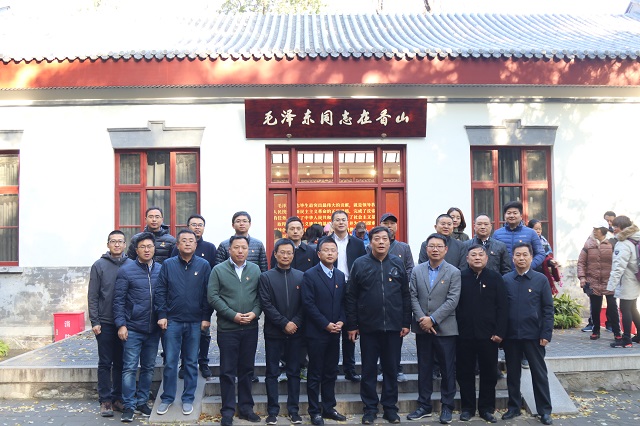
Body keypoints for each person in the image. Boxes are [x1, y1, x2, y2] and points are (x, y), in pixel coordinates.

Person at [346, 226, 411, 425]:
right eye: (377, 239)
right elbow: (351, 296)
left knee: (391, 369)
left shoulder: (397, 263)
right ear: (370, 242)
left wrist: (405, 322)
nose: (381, 242)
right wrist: (352, 324)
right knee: (368, 370)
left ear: (390, 242)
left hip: (393, 327)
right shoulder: (360, 264)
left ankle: (390, 408)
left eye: (385, 238)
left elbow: (405, 294)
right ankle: (370, 409)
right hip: (368, 327)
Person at [154, 230, 213, 417]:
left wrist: (206, 317)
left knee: (191, 362)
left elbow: (208, 293)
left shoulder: (204, 265)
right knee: (171, 362)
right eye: (184, 241)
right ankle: (167, 398)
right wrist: (162, 314)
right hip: (172, 321)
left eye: (191, 241)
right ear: (178, 245)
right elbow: (160, 291)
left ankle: (188, 398)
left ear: (196, 244)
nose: (188, 243)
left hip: (195, 322)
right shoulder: (168, 264)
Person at [208, 235, 263, 426]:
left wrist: (255, 313)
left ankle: (246, 408)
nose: (240, 251)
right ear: (229, 249)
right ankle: (228, 411)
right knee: (227, 370)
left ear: (249, 250)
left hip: (250, 327)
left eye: (244, 248)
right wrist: (232, 315)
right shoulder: (218, 270)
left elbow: (261, 296)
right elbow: (213, 296)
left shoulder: (255, 269)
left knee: (247, 369)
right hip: (228, 329)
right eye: (236, 247)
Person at [408, 233, 461, 425]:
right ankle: (424, 405)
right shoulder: (417, 270)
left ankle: (447, 406)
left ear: (445, 250)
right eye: (432, 246)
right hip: (422, 328)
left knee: (447, 369)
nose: (435, 249)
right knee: (424, 368)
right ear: (426, 249)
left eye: (439, 246)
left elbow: (452, 300)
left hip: (445, 329)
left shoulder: (454, 272)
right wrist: (422, 319)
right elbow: (413, 295)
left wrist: (433, 319)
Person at [501, 243, 554, 425]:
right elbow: (501, 308)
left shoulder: (540, 280)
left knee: (539, 374)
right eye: (518, 255)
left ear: (531, 257)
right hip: (511, 336)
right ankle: (513, 407)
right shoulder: (506, 279)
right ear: (513, 258)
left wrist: (546, 333)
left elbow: (548, 309)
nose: (521, 258)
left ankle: (544, 410)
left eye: (525, 255)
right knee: (512, 374)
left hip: (534, 335)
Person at [456, 244, 508, 423]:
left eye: (480, 255)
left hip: (489, 335)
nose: (477, 258)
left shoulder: (495, 278)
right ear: (467, 259)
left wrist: (500, 332)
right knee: (465, 372)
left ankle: (486, 408)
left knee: (489, 373)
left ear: (486, 258)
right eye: (473, 255)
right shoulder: (460, 277)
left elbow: (503, 307)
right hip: (464, 335)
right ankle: (468, 408)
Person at [113, 232, 161, 422]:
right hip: (132, 328)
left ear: (154, 248)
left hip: (153, 329)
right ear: (136, 250)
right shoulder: (126, 270)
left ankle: (142, 402)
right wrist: (121, 325)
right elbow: (118, 301)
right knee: (129, 368)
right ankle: (129, 406)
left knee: (148, 367)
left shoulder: (161, 269)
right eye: (143, 247)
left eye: (150, 246)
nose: (147, 250)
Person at [301, 237, 347, 426]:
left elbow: (343, 302)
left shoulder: (340, 275)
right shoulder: (310, 275)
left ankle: (329, 407)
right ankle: (314, 411)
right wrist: (325, 324)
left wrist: (342, 320)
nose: (330, 253)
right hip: (317, 332)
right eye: (326, 250)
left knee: (330, 371)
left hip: (335, 332)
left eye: (333, 250)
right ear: (319, 254)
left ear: (337, 254)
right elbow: (308, 304)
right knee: (315, 373)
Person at [260, 238, 305, 425]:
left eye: (289, 253)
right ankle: (272, 411)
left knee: (294, 372)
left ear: (293, 255)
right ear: (275, 254)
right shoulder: (266, 277)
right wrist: (283, 323)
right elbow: (266, 304)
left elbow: (305, 304)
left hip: (296, 332)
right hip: (274, 332)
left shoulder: (301, 276)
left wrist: (295, 322)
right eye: (282, 252)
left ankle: (294, 410)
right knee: (272, 372)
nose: (285, 256)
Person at [88, 230, 132, 417]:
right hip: (105, 322)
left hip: (125, 323)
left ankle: (118, 398)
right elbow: (93, 295)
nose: (117, 244)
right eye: (113, 241)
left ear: (125, 245)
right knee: (105, 363)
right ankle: (105, 400)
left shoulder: (131, 264)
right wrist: (95, 321)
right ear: (108, 245)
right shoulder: (99, 265)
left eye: (120, 241)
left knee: (122, 362)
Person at [171, 214, 217, 379]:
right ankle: (184, 364)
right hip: (182, 302)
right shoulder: (178, 248)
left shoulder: (210, 248)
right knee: (185, 335)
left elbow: (214, 274)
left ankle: (203, 363)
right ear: (188, 227)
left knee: (204, 334)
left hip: (202, 299)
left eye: (200, 225)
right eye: (194, 224)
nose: (197, 227)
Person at [377, 212, 415, 382]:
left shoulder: (403, 247)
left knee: (396, 337)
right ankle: (380, 369)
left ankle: (397, 368)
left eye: (392, 223)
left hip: (397, 297)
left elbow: (410, 268)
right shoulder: (371, 247)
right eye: (386, 223)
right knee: (379, 337)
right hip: (378, 298)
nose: (389, 226)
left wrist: (401, 281)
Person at [330, 210, 367, 383]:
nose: (340, 222)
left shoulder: (358, 244)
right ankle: (331, 368)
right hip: (331, 287)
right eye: (337, 220)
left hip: (351, 287)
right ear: (332, 223)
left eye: (343, 219)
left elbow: (363, 266)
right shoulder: (325, 242)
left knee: (350, 329)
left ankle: (350, 368)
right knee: (332, 328)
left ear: (348, 222)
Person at [577, 220, 621, 341]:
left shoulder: (613, 242)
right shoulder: (589, 243)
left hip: (610, 280)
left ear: (603, 230)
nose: (594, 231)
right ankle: (596, 330)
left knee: (613, 307)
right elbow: (581, 262)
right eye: (594, 229)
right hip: (593, 281)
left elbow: (619, 261)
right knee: (595, 308)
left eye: (597, 229)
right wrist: (582, 277)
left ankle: (617, 332)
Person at [607, 216, 640, 348]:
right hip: (636, 278)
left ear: (622, 227)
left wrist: (611, 285)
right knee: (632, 308)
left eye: (616, 226)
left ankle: (626, 340)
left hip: (627, 280)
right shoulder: (636, 238)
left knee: (625, 308)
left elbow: (618, 267)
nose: (613, 229)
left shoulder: (623, 243)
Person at [492, 201, 545, 270]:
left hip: (525, 274)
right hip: (504, 274)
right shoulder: (497, 234)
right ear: (505, 216)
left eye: (515, 213)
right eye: (509, 213)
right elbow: (492, 255)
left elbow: (540, 253)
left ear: (521, 216)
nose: (511, 216)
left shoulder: (531, 233)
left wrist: (529, 267)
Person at [527, 219, 561, 295]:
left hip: (541, 271)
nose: (538, 231)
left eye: (540, 229)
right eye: (536, 229)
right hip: (529, 270)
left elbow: (546, 257)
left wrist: (550, 262)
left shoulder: (543, 241)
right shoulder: (526, 241)